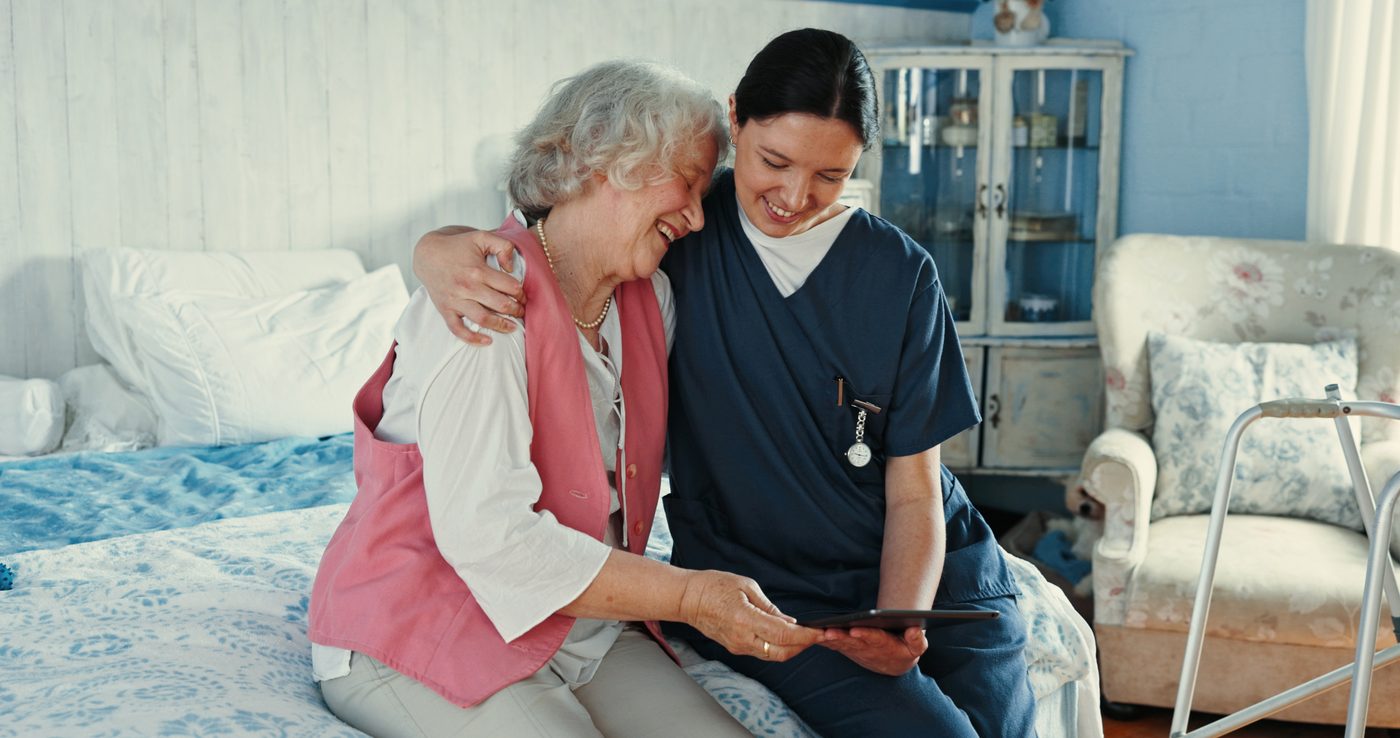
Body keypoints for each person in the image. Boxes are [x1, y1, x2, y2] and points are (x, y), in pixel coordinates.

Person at [412, 29, 1039, 738]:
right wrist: (434, 250)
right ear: (735, 120)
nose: (795, 195)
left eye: (831, 175)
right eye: (774, 161)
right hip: (774, 591)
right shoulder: (677, 232)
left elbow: (918, 486)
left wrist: (897, 614)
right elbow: (560, 228)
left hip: (932, 571)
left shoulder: (901, 276)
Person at [307, 59, 820, 738]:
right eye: (688, 185)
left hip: (576, 626)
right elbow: (490, 538)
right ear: (604, 161)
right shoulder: (482, 300)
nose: (698, 219)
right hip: (423, 623)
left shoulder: (650, 300)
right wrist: (690, 596)